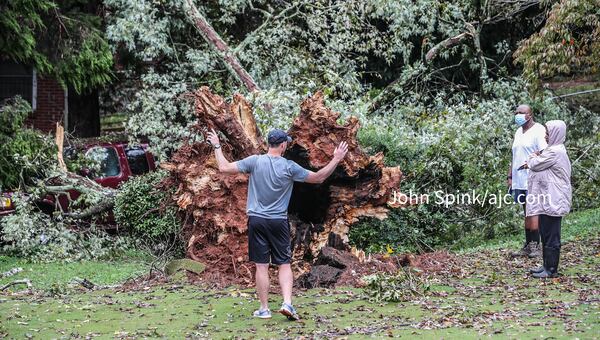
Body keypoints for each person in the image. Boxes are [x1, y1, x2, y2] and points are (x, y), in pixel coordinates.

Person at [206, 128, 348, 320]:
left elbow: (223, 167)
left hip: (256, 220)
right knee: (284, 264)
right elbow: (319, 177)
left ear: (268, 144)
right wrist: (336, 159)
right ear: (283, 145)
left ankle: (264, 309)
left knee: (262, 266)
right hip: (278, 222)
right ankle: (287, 303)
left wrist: (216, 145)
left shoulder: (254, 161)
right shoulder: (289, 167)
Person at [522, 120, 572, 278]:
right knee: (545, 232)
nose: (545, 135)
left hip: (554, 199)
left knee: (551, 235)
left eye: (548, 133)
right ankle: (546, 265)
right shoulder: (552, 150)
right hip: (548, 199)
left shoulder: (555, 151)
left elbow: (535, 164)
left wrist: (531, 157)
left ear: (556, 134)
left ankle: (551, 269)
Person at [508, 104, 547, 258]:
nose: (518, 115)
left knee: (534, 210)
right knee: (526, 211)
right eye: (516, 112)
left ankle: (535, 246)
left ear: (530, 115)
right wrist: (510, 177)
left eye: (521, 112)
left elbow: (545, 152)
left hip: (533, 177)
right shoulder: (518, 132)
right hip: (519, 179)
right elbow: (514, 156)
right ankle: (528, 244)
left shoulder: (539, 130)